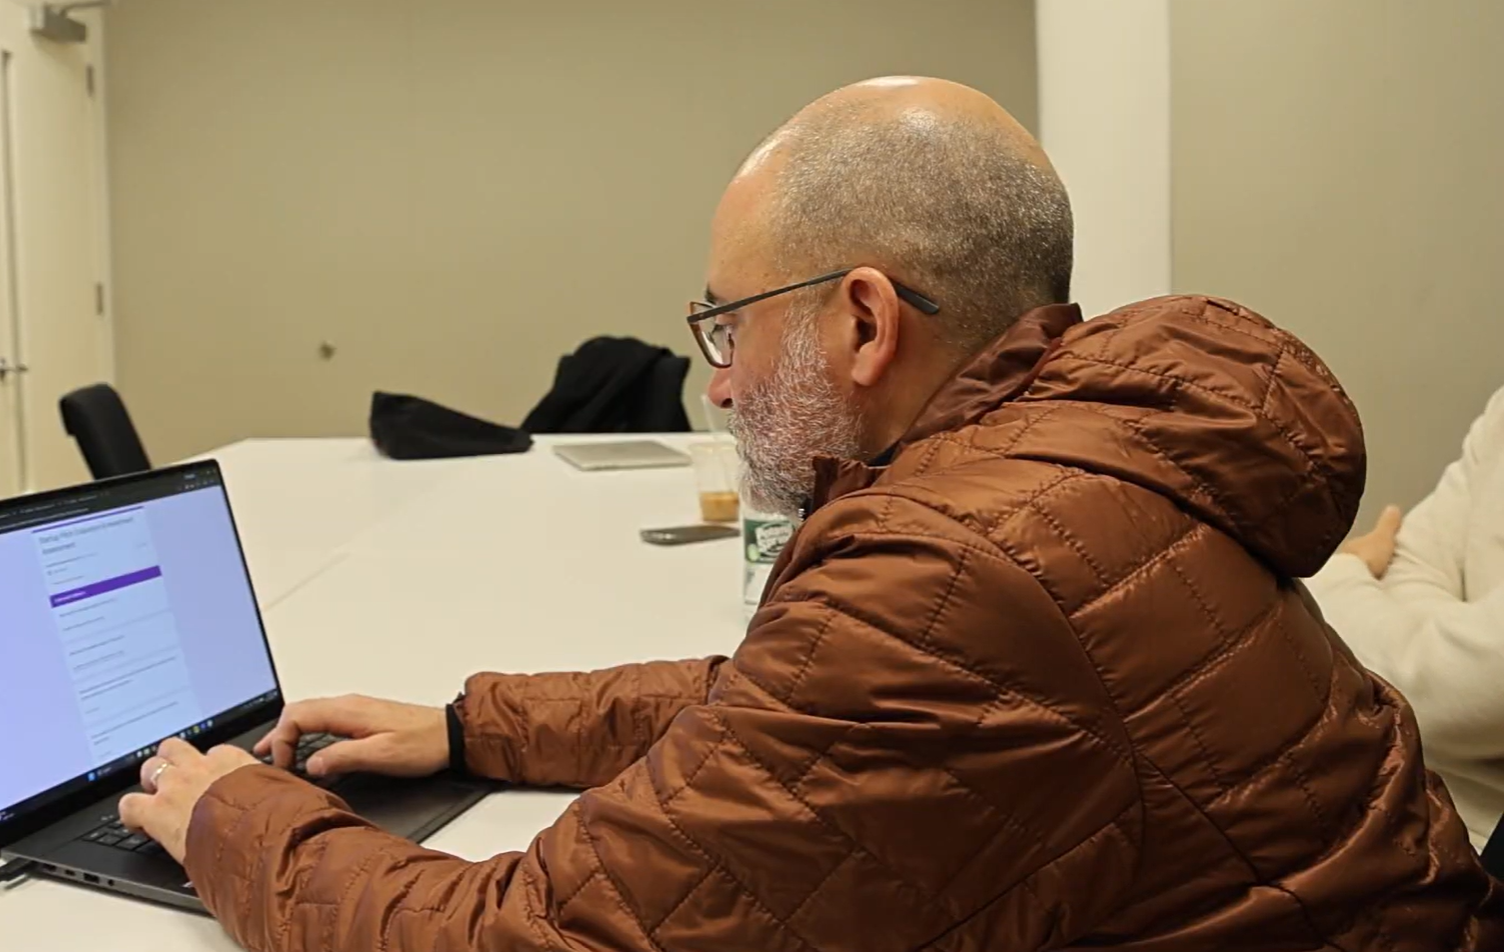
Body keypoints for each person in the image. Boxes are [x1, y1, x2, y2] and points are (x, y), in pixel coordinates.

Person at [119, 77, 1501, 949]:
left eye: (728, 323)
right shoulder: (1080, 457)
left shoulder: (953, 575)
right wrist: (475, 726)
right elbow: (777, 710)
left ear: (863, 320)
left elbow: (533, 937)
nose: (718, 383)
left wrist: (236, 815)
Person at [1310, 385, 1504, 851]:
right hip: (1394, 811)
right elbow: (1410, 562)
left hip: (1472, 855)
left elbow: (1451, 696)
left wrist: (1339, 577)